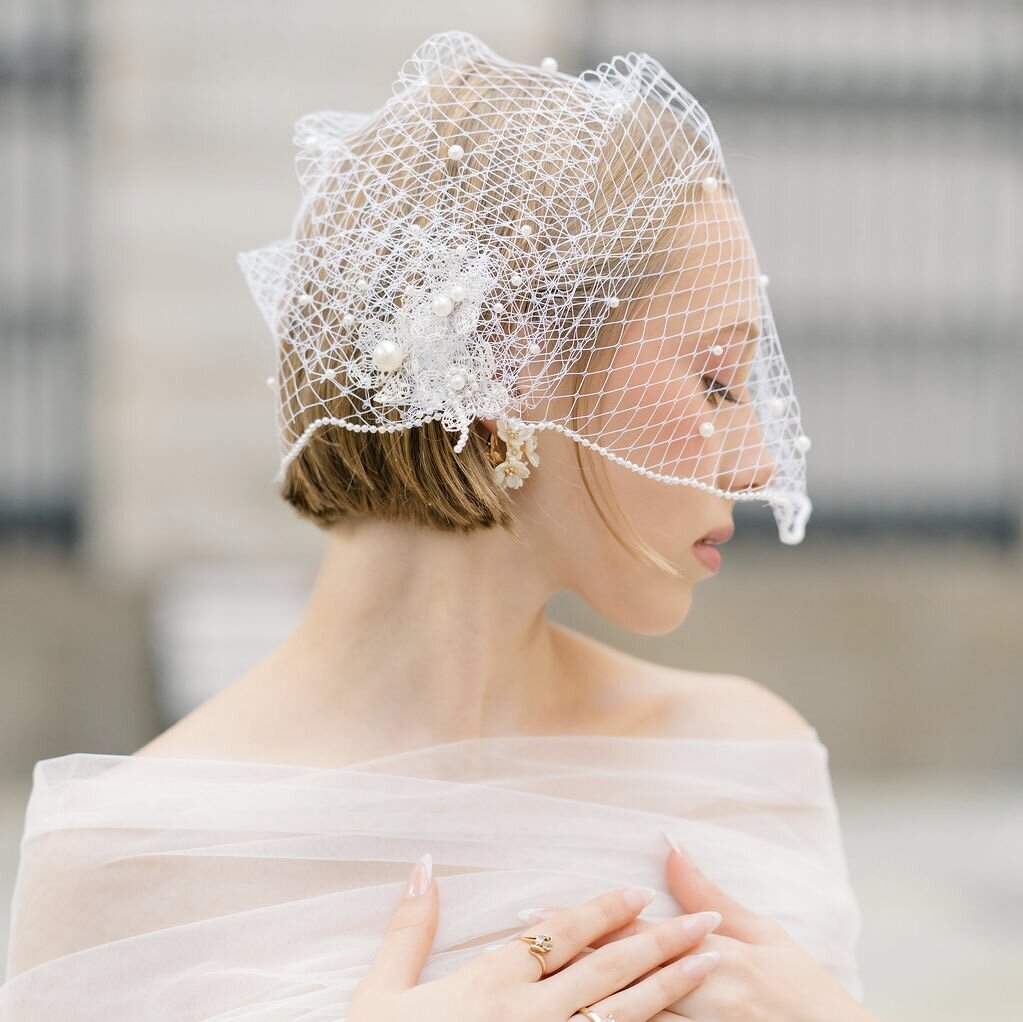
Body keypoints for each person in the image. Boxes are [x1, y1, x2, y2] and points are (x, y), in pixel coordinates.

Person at [0, 30, 879, 1022]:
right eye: (716, 379)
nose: (759, 462)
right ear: (511, 361)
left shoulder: (746, 765)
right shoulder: (128, 862)